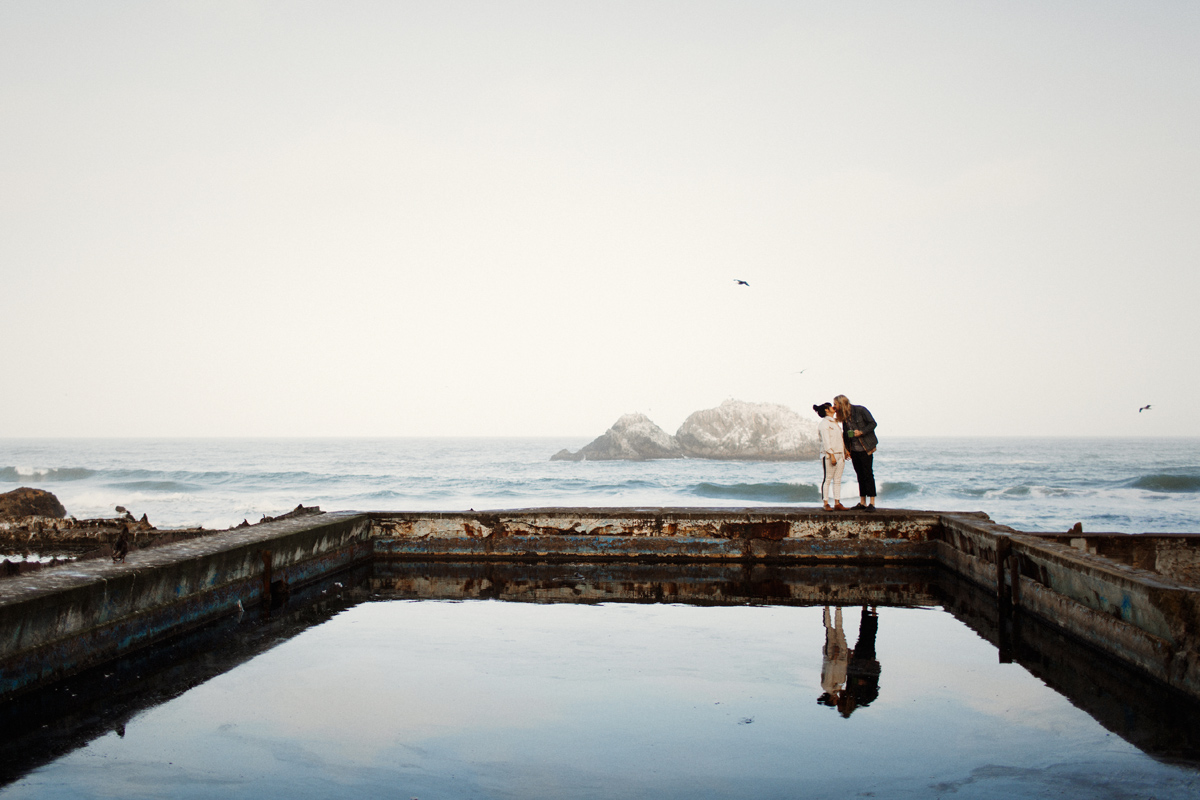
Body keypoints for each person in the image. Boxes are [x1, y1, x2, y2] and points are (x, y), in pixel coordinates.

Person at [834, 395, 878, 511]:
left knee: (868, 474)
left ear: (842, 404)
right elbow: (845, 434)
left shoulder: (860, 410)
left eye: (836, 404)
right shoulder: (844, 417)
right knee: (860, 475)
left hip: (865, 448)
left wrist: (861, 432)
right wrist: (847, 449)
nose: (834, 407)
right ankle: (863, 502)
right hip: (854, 450)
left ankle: (872, 503)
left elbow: (873, 424)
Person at [813, 402, 847, 511]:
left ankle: (837, 502)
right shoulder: (824, 424)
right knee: (827, 479)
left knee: (837, 479)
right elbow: (826, 441)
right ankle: (826, 503)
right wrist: (831, 455)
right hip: (828, 455)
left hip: (840, 454)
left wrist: (845, 451)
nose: (834, 407)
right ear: (827, 410)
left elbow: (840, 439)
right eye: (832, 406)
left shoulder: (835, 423)